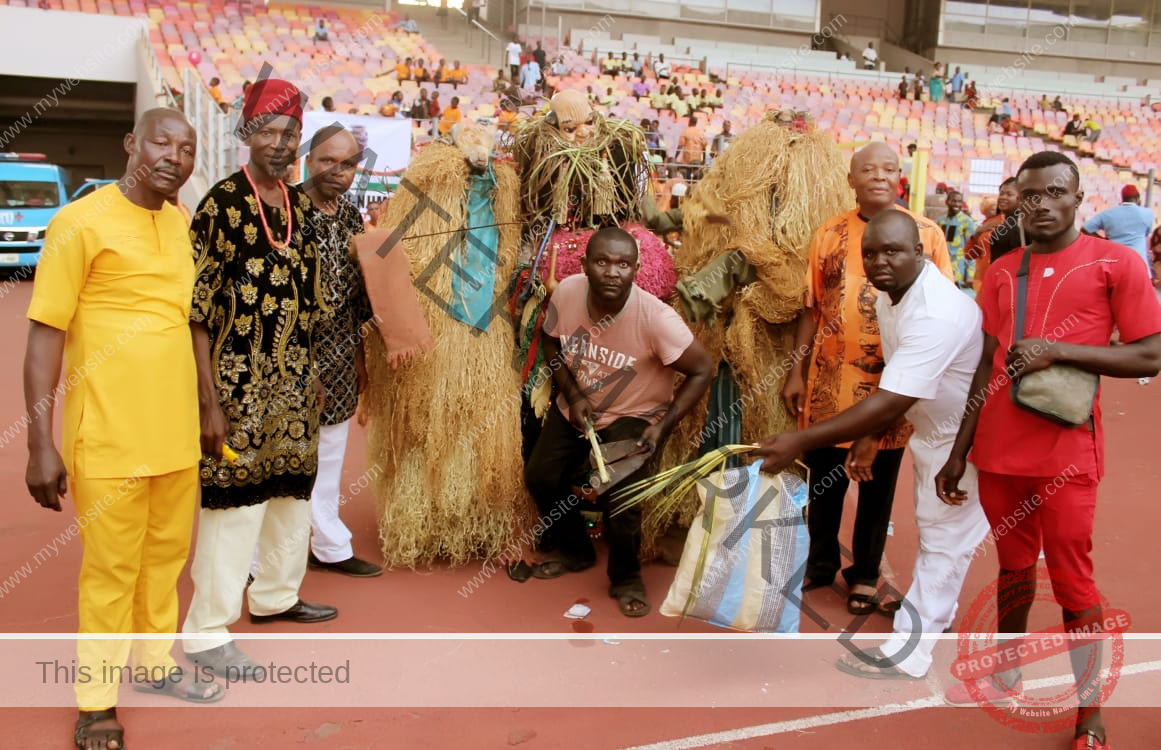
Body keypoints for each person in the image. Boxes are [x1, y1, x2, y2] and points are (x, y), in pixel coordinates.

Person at [936, 151, 1161, 750]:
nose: (1040, 204)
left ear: (1077, 196)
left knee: (1073, 584)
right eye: (1029, 194)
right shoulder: (1004, 269)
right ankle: (1008, 663)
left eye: (1053, 192)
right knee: (1013, 567)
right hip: (998, 449)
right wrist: (959, 451)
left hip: (1066, 454)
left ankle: (1090, 714)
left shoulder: (1115, 262)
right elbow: (986, 361)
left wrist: (1061, 352)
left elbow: (1149, 353)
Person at [24, 108, 225, 750]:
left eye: (187, 147)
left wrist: (206, 405)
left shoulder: (181, 222)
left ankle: (155, 663)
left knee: (165, 560)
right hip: (106, 433)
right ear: (130, 143)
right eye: (161, 141)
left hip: (173, 434)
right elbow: (44, 334)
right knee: (110, 568)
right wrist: (39, 441)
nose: (174, 155)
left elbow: (189, 323)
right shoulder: (77, 222)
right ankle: (95, 702)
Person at [756, 210, 990, 680]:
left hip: (966, 439)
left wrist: (800, 440)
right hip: (934, 433)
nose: (880, 261)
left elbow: (893, 397)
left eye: (893, 251)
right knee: (939, 534)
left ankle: (911, 650)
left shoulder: (936, 312)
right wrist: (868, 436)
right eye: (871, 253)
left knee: (944, 540)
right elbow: (899, 377)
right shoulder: (891, 297)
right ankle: (935, 617)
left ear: (919, 254)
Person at [181, 79, 338, 676]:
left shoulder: (298, 206)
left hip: (295, 382)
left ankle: (275, 598)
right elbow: (197, 310)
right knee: (232, 508)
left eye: (288, 132)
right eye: (266, 132)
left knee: (291, 497)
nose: (279, 143)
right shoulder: (220, 205)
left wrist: (315, 371)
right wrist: (208, 398)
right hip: (236, 386)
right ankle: (208, 632)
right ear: (246, 135)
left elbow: (312, 298)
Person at [781, 142, 953, 617]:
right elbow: (811, 308)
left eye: (889, 168)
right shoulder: (830, 234)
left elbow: (939, 314)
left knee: (876, 487)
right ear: (851, 179)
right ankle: (819, 563)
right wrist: (795, 368)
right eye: (867, 169)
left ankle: (864, 575)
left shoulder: (929, 236)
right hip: (827, 385)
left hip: (894, 387)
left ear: (901, 177)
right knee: (824, 483)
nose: (879, 176)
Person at [523, 227, 712, 616]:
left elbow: (702, 370)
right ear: (586, 266)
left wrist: (663, 424)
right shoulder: (568, 292)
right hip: (577, 406)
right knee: (541, 477)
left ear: (636, 269)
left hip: (633, 415)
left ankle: (626, 578)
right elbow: (550, 340)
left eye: (623, 264)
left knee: (622, 499)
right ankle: (576, 552)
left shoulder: (658, 319)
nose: (613, 271)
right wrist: (573, 395)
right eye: (603, 262)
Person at [298, 125, 381, 577]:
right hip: (288, 358)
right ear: (309, 159)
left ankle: (328, 546)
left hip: (341, 355)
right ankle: (258, 561)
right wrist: (301, 366)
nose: (338, 171)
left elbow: (356, 297)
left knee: (330, 456)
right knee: (283, 458)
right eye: (328, 160)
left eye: (348, 164)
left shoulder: (350, 216)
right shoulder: (284, 211)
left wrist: (359, 360)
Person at [1082, 184, 1154, 274]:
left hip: (1114, 263)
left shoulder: (1108, 214)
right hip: (1138, 264)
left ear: (1123, 198)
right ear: (1138, 198)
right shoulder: (1147, 213)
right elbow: (1147, 233)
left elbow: (1085, 229)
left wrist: (1103, 240)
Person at [967, 177, 1019, 294]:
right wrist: (977, 234)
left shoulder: (1024, 226)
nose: (1003, 197)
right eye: (1001, 194)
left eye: (1009, 194)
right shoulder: (990, 223)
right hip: (982, 284)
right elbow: (969, 255)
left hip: (1007, 286)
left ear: (1021, 198)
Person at [937, 190, 977, 288]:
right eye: (953, 201)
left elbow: (972, 248)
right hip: (942, 266)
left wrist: (970, 275)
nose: (957, 204)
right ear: (947, 202)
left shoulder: (967, 222)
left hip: (958, 268)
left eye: (959, 201)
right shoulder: (941, 221)